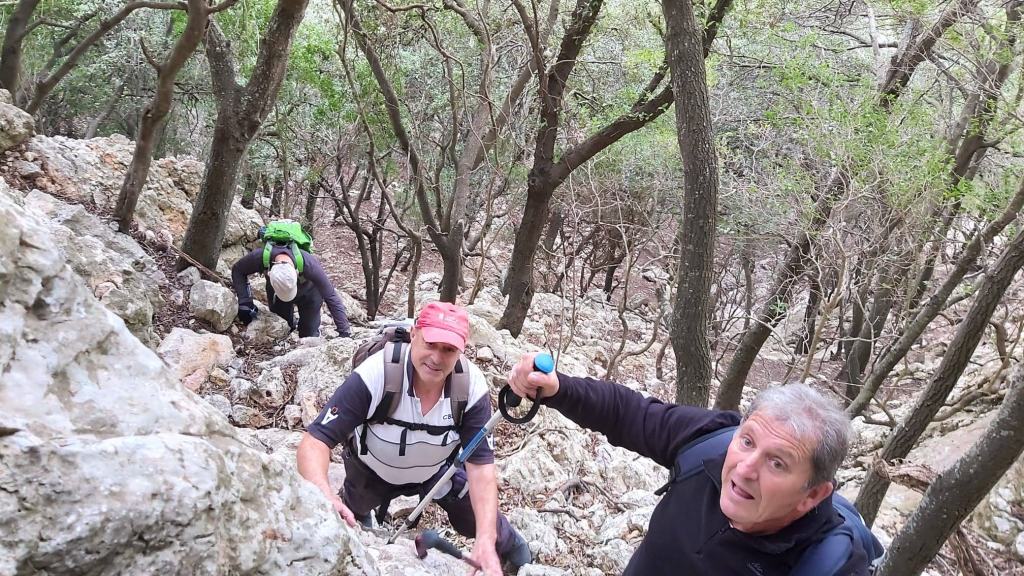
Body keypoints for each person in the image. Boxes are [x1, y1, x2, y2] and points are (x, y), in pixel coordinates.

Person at [508, 354, 871, 576]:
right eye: (747, 442)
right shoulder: (711, 441)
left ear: (813, 495)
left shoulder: (829, 565)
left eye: (777, 463)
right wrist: (558, 389)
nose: (745, 469)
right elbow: (630, 414)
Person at [296, 302, 531, 576]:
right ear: (414, 334)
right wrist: (324, 496)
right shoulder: (377, 373)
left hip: (435, 472)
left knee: (479, 520)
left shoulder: (470, 387)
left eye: (448, 349)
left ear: (462, 350)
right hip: (370, 470)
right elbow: (316, 441)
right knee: (351, 516)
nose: (436, 358)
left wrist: (486, 539)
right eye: (430, 343)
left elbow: (480, 467)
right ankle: (359, 516)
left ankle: (515, 550)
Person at [231, 244, 351, 338]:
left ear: (297, 272)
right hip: (276, 293)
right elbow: (238, 270)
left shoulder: (309, 264)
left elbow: (331, 296)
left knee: (309, 332)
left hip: (310, 292)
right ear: (270, 273)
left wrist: (344, 331)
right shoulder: (260, 257)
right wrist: (245, 303)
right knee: (283, 326)